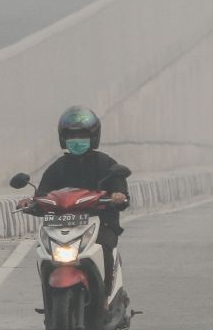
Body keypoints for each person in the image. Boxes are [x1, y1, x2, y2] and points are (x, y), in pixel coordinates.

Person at [17, 106, 129, 289]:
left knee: (105, 251)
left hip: (100, 224)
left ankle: (106, 299)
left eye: (82, 136)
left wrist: (118, 196)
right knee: (44, 255)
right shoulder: (57, 167)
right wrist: (31, 203)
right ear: (63, 138)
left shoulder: (106, 163)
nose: (76, 141)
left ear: (93, 137)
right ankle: (49, 296)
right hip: (61, 226)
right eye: (71, 137)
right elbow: (42, 195)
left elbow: (120, 191)